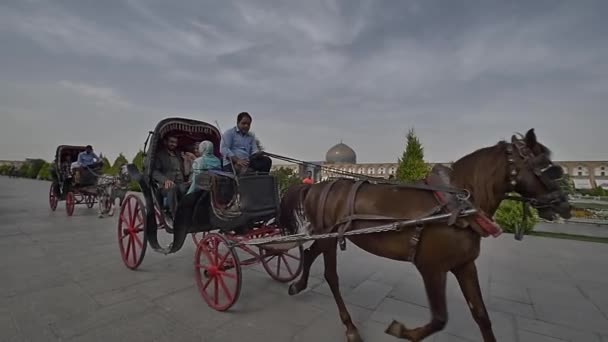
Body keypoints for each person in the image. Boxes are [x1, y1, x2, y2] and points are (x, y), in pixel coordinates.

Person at [152, 134, 189, 218]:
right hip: (167, 185)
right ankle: (176, 216)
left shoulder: (179, 154)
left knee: (192, 187)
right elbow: (155, 172)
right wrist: (165, 180)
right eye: (171, 142)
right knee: (172, 188)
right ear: (166, 142)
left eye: (175, 142)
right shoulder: (160, 155)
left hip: (181, 183)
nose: (174, 144)